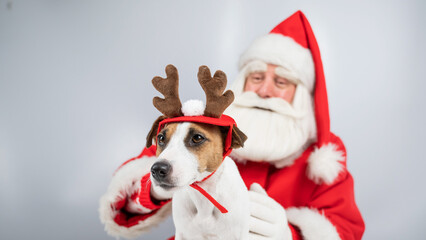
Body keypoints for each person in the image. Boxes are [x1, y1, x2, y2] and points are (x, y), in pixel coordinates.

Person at [99, 10, 365, 240]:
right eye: (257, 77)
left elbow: (345, 230)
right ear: (242, 83)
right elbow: (122, 200)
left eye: (281, 82)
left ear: (301, 97)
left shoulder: (325, 154)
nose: (264, 90)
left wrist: (289, 235)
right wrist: (155, 189)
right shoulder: (200, 130)